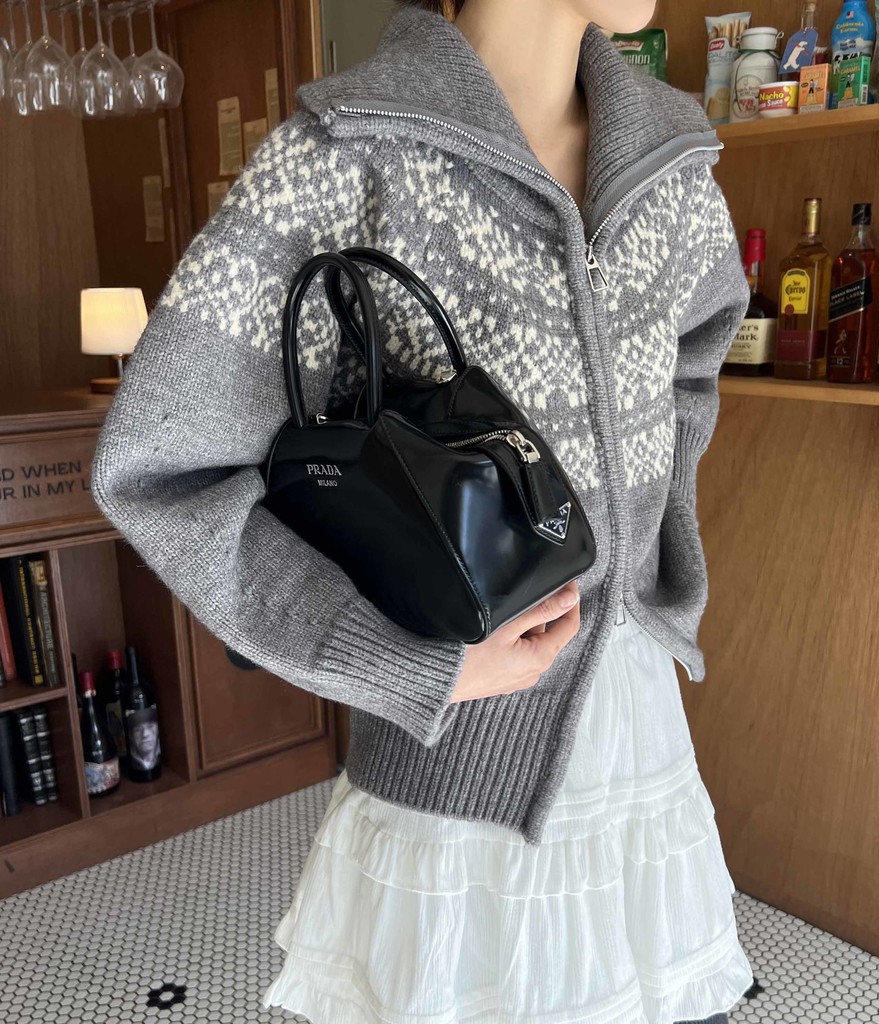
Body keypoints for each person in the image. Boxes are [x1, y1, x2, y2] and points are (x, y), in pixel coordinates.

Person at [89, 0, 756, 1020]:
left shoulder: (673, 170)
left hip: (638, 715)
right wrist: (399, 660)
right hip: (455, 756)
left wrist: (645, 564)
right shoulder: (345, 155)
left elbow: (693, 363)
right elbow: (162, 470)